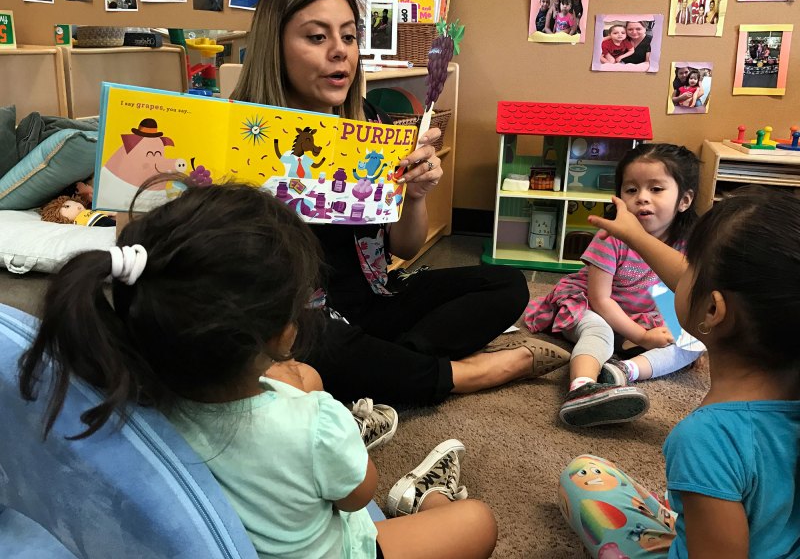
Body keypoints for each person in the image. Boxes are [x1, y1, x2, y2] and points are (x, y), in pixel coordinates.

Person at [19, 182, 499, 559]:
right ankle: (426, 497)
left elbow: (298, 380)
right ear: (284, 333)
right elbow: (357, 496)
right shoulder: (315, 422)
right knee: (476, 523)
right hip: (338, 545)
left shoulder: (123, 388)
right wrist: (335, 430)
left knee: (308, 379)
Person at [230, 0, 558, 408]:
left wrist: (416, 195)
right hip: (297, 315)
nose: (339, 52)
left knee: (506, 284)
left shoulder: (369, 122)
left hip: (375, 295)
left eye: (349, 36)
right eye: (316, 36)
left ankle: (397, 365)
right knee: (303, 345)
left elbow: (404, 245)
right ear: (275, 45)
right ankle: (463, 374)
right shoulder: (235, 134)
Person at [559, 186, 800, 558]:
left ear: (713, 311)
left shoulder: (708, 438)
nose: (680, 272)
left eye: (692, 268)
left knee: (582, 475)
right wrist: (635, 236)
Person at [524, 144, 704, 427]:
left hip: (646, 311)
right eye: (631, 190)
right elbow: (600, 299)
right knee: (600, 332)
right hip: (590, 304)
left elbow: (681, 294)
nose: (642, 198)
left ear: (684, 200)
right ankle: (581, 388)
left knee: (695, 341)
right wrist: (643, 338)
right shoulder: (610, 237)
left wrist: (680, 332)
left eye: (656, 189)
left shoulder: (687, 243)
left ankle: (620, 372)